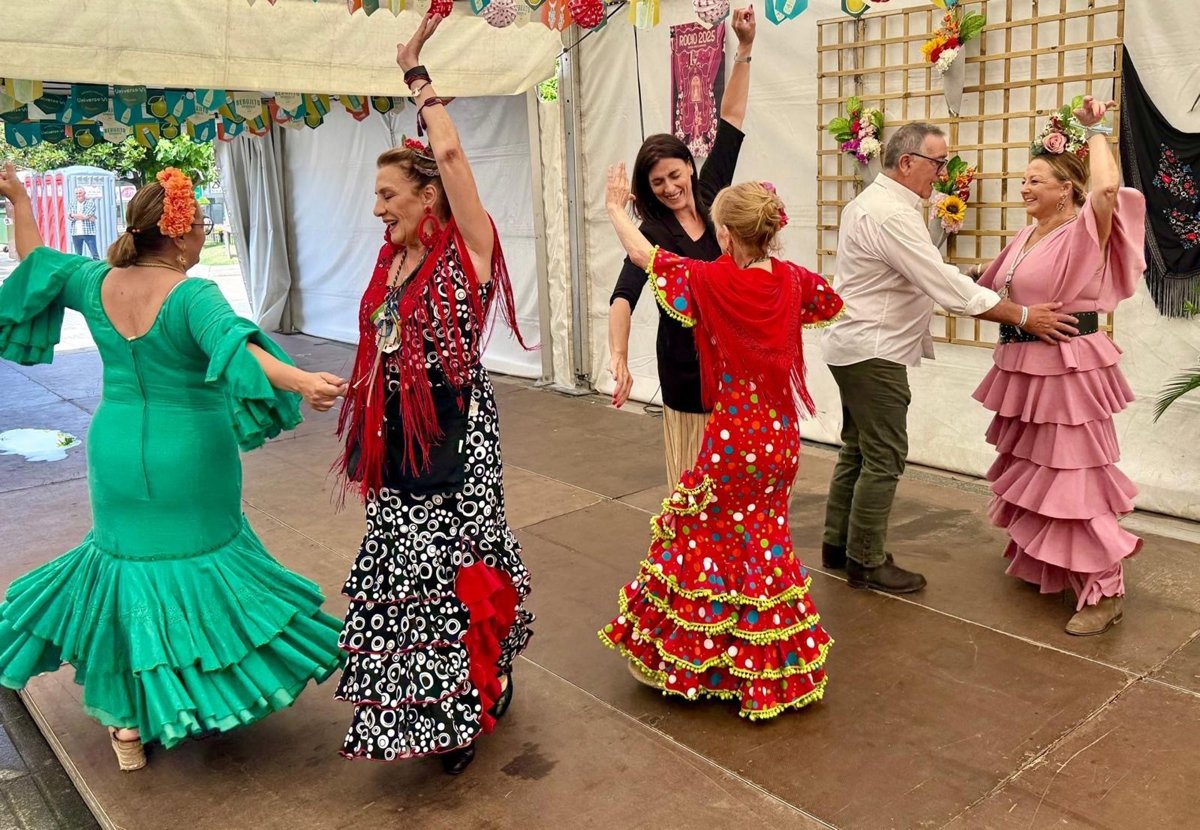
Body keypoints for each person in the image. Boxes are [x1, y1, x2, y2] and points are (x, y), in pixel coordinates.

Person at [0, 162, 348, 771]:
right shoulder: (192, 294)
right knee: (198, 564)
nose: (204, 232)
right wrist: (300, 381)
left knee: (127, 572)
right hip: (189, 452)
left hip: (115, 447)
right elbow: (234, 344)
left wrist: (20, 202)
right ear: (181, 234)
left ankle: (127, 726)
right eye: (202, 224)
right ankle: (194, 696)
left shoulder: (97, 281)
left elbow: (37, 262)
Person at [331, 12, 533, 776]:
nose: (378, 208)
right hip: (396, 446)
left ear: (429, 196)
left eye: (388, 194)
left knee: (452, 578)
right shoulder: (390, 264)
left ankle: (474, 697)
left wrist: (415, 71)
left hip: (456, 446)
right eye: (377, 196)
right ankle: (424, 705)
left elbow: (448, 150)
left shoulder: (469, 251)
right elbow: (382, 348)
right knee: (405, 579)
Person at [599, 170, 843, 719]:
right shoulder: (794, 280)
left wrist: (616, 209)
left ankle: (704, 659)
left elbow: (645, 257)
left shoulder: (712, 281)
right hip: (780, 438)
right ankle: (766, 662)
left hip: (735, 435)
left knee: (703, 536)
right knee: (763, 541)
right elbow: (830, 302)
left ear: (727, 235)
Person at [820, 122, 1079, 594]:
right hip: (873, 351)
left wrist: (975, 271)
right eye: (938, 163)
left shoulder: (877, 204)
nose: (942, 173)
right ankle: (866, 561)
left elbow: (921, 269)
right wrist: (1024, 315)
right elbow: (941, 286)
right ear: (907, 162)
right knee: (885, 456)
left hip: (856, 346)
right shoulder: (890, 214)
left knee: (859, 448)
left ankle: (839, 546)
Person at [971, 97, 1145, 636]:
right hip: (1026, 371)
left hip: (1067, 372)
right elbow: (992, 283)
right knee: (1036, 471)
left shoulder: (1084, 229)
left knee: (1075, 480)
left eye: (1035, 181)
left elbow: (1107, 191)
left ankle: (1106, 590)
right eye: (1023, 181)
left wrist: (1097, 130)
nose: (1024, 189)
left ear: (1066, 189)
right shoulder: (1028, 234)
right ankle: (1047, 562)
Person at [608, 6, 756, 487]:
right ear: (647, 189)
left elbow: (730, 120)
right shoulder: (652, 232)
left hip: (735, 363)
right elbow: (623, 296)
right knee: (693, 483)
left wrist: (744, 49)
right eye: (657, 183)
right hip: (686, 375)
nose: (670, 187)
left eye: (674, 175)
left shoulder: (713, 196)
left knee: (736, 482)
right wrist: (618, 356)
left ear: (689, 167)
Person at [69, 186, 99, 259]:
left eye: (80, 193)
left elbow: (86, 215)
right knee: (78, 254)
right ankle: (79, 266)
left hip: (88, 232)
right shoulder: (72, 203)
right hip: (76, 232)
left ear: (84, 193)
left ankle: (98, 265)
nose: (78, 195)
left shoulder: (90, 203)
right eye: (76, 193)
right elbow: (70, 216)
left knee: (94, 254)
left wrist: (75, 215)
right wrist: (84, 216)